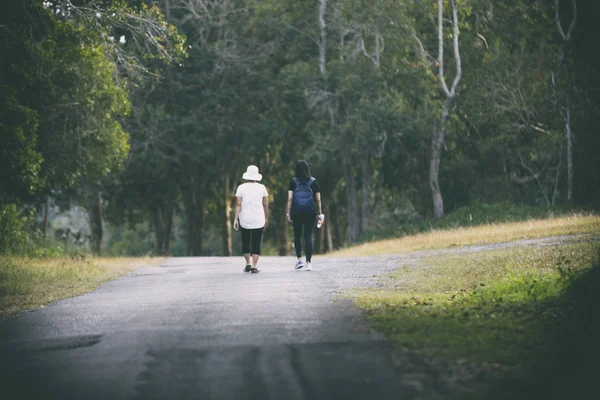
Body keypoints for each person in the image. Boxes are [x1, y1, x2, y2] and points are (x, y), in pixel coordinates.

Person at [287, 160, 323, 271]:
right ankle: (308, 263)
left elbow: (290, 199)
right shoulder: (313, 182)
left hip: (297, 212)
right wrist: (319, 213)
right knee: (308, 235)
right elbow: (318, 199)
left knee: (297, 235)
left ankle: (299, 260)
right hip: (310, 212)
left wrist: (288, 212)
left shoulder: (293, 182)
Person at [233, 165, 269, 273]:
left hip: (244, 218)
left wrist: (236, 219)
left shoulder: (241, 187)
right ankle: (254, 266)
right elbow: (265, 205)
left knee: (246, 240)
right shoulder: (262, 187)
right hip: (258, 218)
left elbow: (238, 204)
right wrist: (266, 217)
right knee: (256, 241)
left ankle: (248, 263)